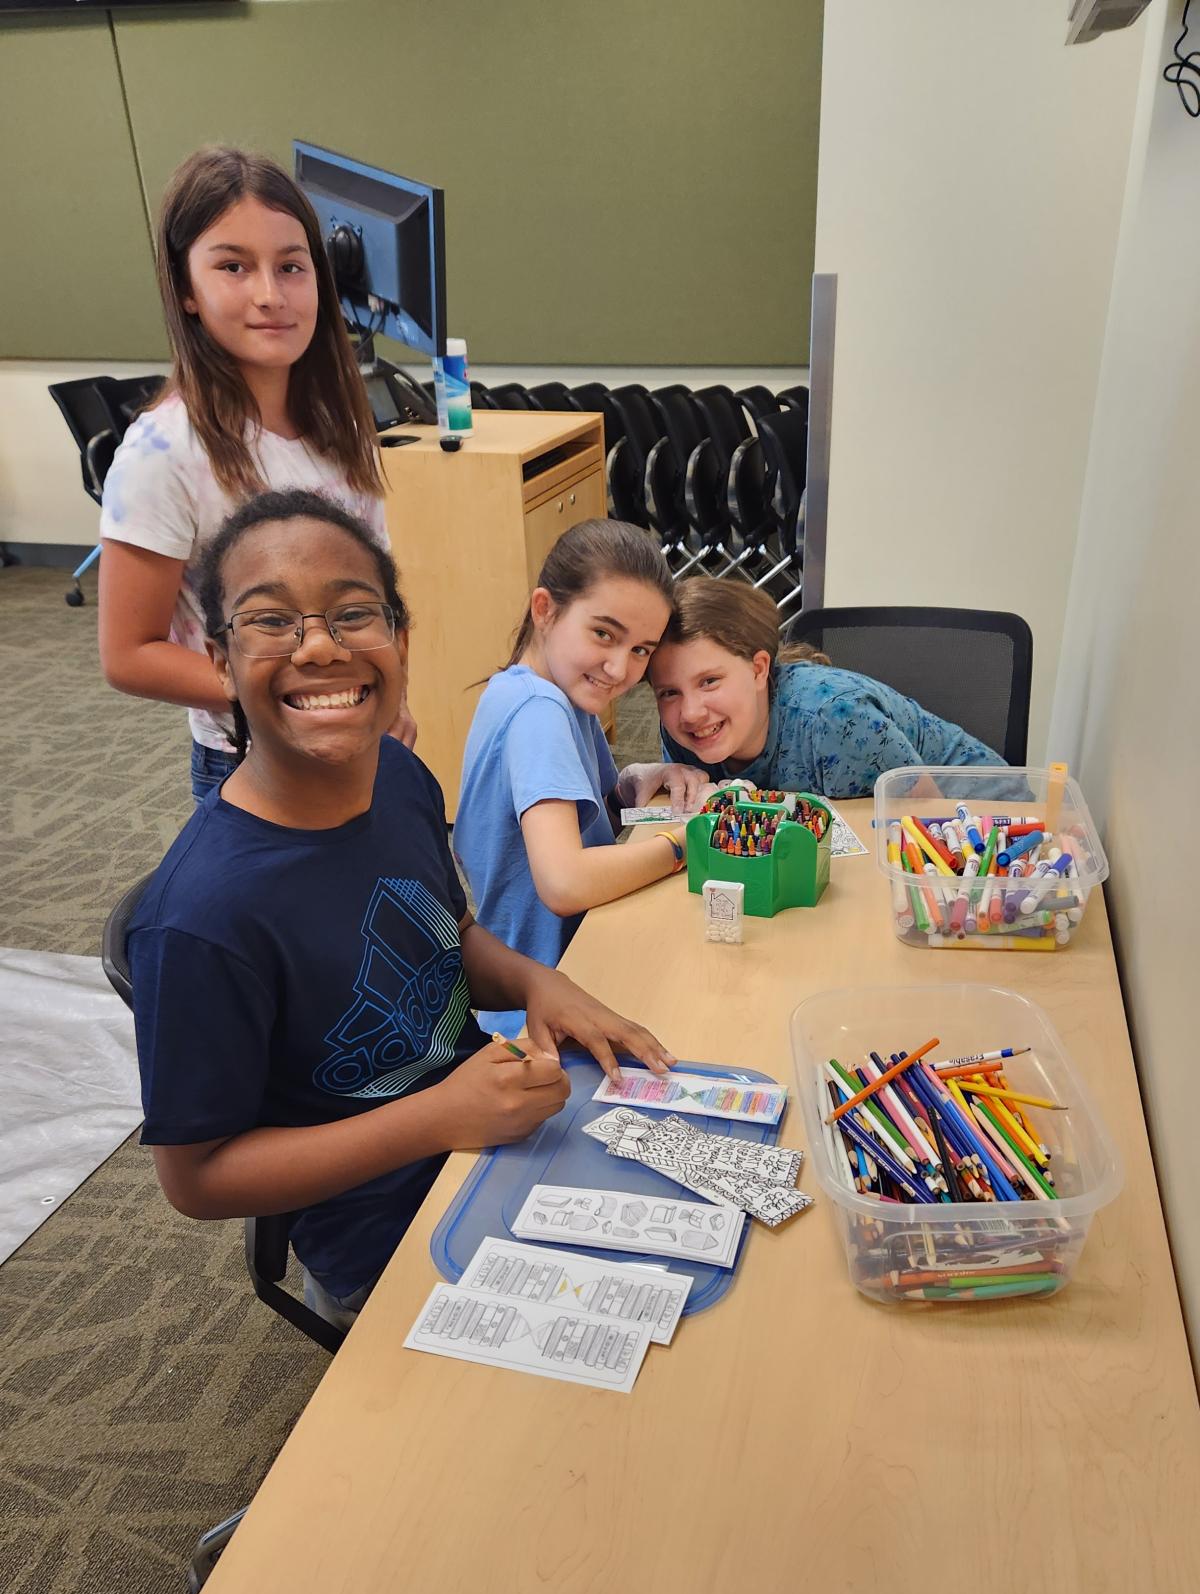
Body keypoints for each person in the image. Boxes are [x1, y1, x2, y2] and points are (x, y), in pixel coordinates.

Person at [127, 488, 674, 1330]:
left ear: (401, 641)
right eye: (271, 621)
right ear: (221, 660)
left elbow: (449, 933)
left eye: (354, 614)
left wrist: (538, 984)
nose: (320, 646)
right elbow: (196, 1180)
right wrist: (437, 1119)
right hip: (380, 1222)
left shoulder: (399, 777)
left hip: (488, 1130)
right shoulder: (202, 918)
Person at [97, 145, 414, 806]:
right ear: (187, 289)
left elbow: (375, 595)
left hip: (355, 736)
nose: (270, 295)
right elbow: (128, 654)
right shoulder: (164, 451)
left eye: (291, 267)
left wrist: (389, 693)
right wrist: (288, 685)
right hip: (253, 762)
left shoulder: (339, 424)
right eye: (233, 267)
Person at [454, 520, 710, 1037]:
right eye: (604, 634)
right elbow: (565, 881)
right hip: (550, 1013)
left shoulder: (548, 691)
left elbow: (582, 822)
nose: (619, 669)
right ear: (544, 610)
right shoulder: (540, 711)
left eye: (641, 650)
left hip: (565, 978)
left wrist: (640, 782)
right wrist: (687, 841)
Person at [649, 578, 1005, 799]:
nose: (691, 712)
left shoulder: (834, 718)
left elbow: (925, 818)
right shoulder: (684, 727)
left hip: (991, 830)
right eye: (668, 692)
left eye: (709, 681)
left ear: (758, 670)